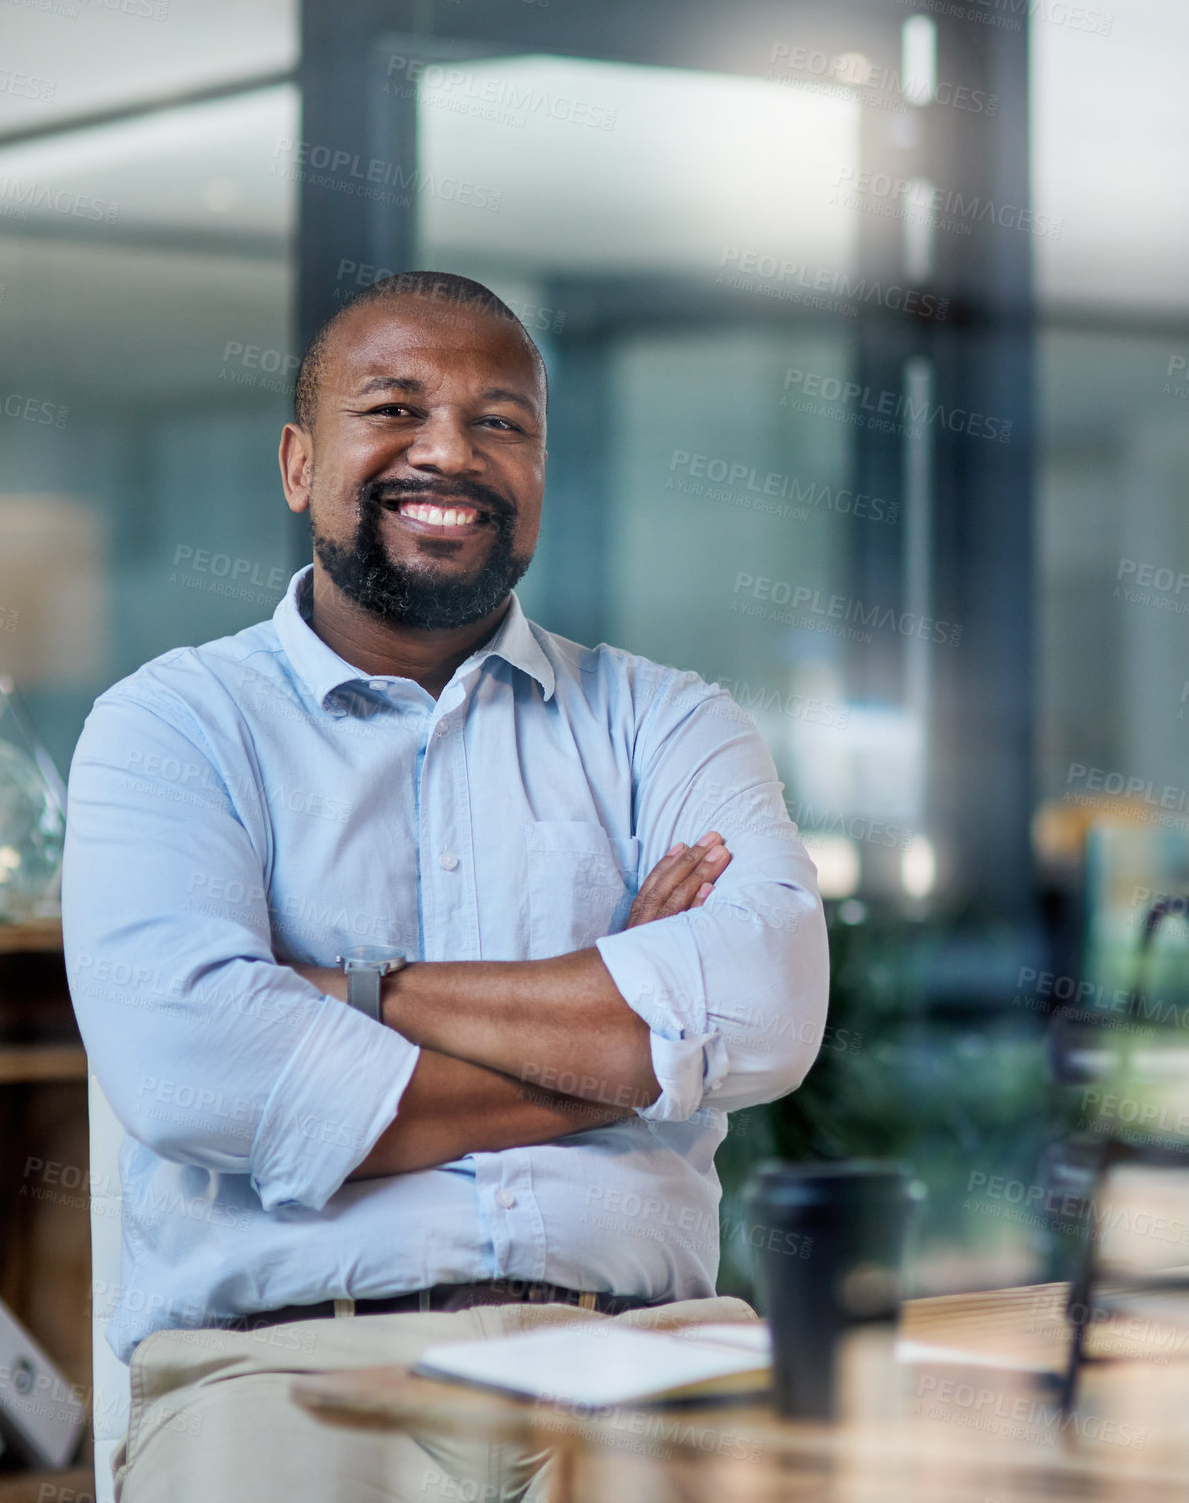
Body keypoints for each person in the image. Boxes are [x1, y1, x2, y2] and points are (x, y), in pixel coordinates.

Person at [62, 271, 829, 1502]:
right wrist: (620, 1047)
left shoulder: (670, 721)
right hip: (287, 1366)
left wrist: (348, 991)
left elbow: (765, 1009)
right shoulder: (171, 726)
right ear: (298, 463)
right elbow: (196, 1070)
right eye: (394, 408)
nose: (449, 452)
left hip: (645, 1358)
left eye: (500, 421)